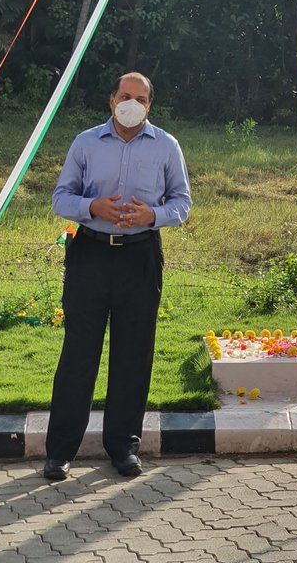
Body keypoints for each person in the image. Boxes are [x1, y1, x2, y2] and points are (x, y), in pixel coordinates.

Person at [43, 72, 192, 482]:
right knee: (78, 353)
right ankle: (59, 452)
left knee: (133, 353)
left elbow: (182, 202)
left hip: (140, 258)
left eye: (140, 98)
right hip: (90, 254)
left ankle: (123, 447)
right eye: (125, 96)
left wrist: (153, 215)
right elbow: (61, 197)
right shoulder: (86, 142)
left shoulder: (166, 146)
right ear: (111, 100)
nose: (131, 103)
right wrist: (92, 207)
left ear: (149, 105)